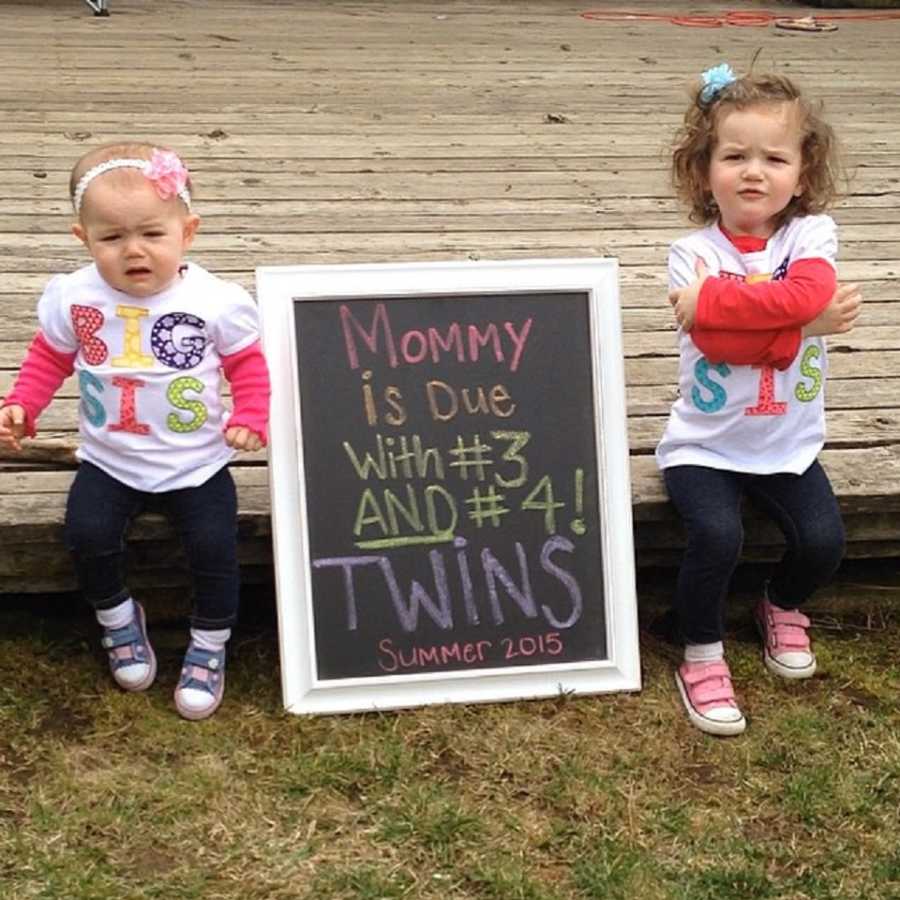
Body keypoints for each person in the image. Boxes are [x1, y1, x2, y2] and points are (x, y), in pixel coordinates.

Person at [0, 142, 270, 720]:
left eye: (152, 233)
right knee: (87, 533)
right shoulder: (76, 297)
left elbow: (248, 365)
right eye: (112, 238)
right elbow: (49, 358)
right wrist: (23, 404)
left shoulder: (214, 302)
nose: (134, 251)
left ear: (187, 231)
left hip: (196, 462)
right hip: (108, 458)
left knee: (215, 547)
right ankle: (118, 618)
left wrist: (250, 416)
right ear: (83, 239)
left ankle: (209, 642)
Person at [656, 65, 862, 736]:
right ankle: (701, 650)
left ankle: (780, 603)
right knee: (718, 536)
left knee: (825, 541)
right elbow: (717, 341)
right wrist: (804, 328)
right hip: (704, 444)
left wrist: (724, 307)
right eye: (733, 155)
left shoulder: (812, 235)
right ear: (702, 170)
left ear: (802, 174)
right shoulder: (690, 253)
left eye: (774, 157)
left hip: (788, 442)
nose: (753, 171)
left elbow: (799, 294)